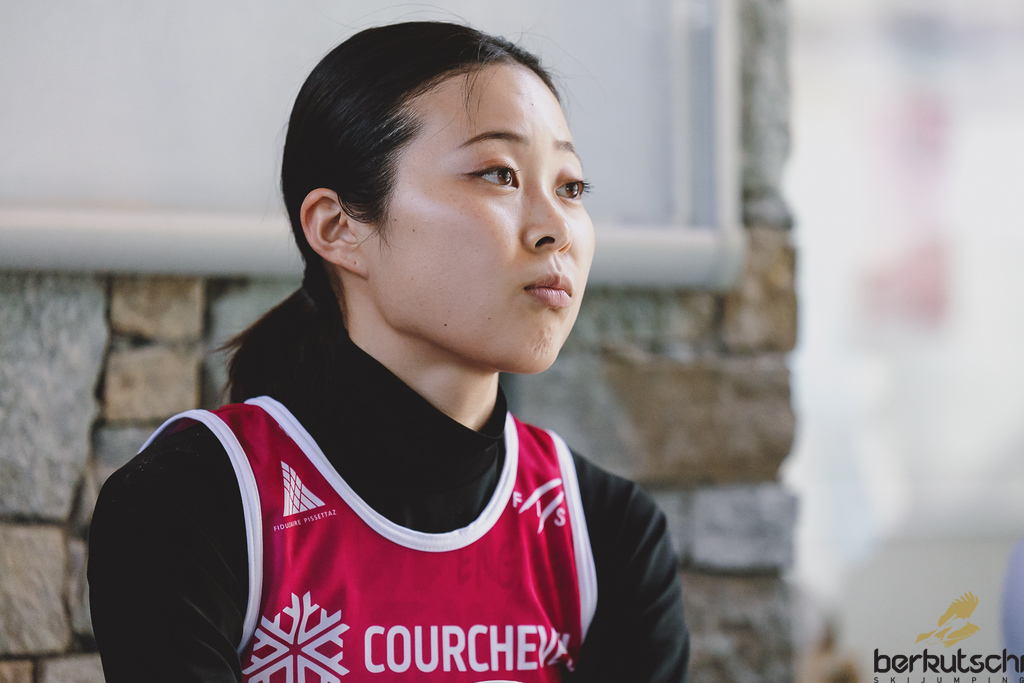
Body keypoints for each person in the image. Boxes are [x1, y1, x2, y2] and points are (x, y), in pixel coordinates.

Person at [88, 21, 689, 682]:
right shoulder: (193, 501)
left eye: (571, 187)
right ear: (339, 228)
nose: (556, 229)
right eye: (499, 174)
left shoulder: (603, 533)